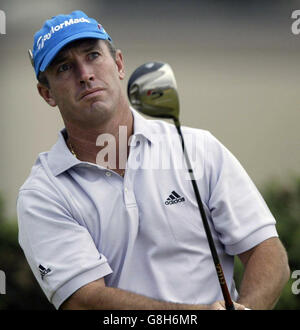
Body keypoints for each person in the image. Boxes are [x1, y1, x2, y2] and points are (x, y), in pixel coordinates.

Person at [17, 10, 290, 310]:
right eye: (65, 68)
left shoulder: (197, 148)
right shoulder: (42, 194)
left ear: (119, 64)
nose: (85, 74)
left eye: (93, 55)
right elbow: (86, 301)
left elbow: (267, 252)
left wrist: (248, 308)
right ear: (47, 94)